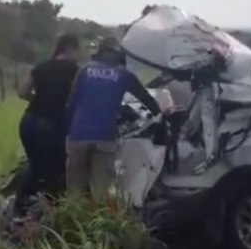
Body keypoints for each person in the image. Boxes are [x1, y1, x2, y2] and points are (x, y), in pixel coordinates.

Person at [65, 36, 165, 202]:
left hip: (78, 135)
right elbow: (145, 98)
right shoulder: (123, 74)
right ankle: (99, 225)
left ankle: (72, 224)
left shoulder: (85, 70)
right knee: (101, 192)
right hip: (105, 136)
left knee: (75, 189)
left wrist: (67, 132)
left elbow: (71, 103)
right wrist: (161, 115)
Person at [14, 33, 80, 214]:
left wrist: (41, 99)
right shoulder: (75, 70)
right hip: (50, 126)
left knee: (36, 164)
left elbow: (22, 92)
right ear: (69, 48)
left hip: (28, 123)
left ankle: (21, 204)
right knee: (56, 168)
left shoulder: (41, 67)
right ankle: (52, 211)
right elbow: (78, 99)